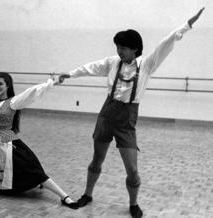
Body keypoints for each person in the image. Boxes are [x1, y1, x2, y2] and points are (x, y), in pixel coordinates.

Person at [59, 8, 205, 218]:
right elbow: (90, 67)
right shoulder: (112, 62)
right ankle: (87, 194)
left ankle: (133, 204)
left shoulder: (147, 65)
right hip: (106, 115)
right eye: (118, 46)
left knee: (133, 171)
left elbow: (166, 42)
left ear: (135, 49)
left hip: (126, 121)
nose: (119, 51)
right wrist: (70, 74)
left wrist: (187, 26)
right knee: (96, 160)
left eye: (124, 47)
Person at [0, 52, 78, 210]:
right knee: (0, 174)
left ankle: (64, 196)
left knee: (34, 170)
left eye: (1, 84)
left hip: (9, 143)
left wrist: (53, 82)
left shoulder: (13, 102)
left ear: (7, 86)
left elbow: (33, 92)